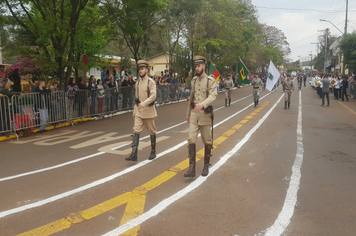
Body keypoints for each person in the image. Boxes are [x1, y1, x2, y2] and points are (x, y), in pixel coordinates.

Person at [185, 55, 218, 178]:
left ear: (204, 66)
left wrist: (202, 104)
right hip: (194, 115)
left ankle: (206, 165)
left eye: (198, 66)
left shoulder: (210, 81)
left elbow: (213, 96)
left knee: (207, 141)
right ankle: (192, 168)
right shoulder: (193, 81)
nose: (197, 68)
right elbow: (191, 99)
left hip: (205, 115)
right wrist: (188, 113)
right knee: (191, 139)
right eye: (196, 66)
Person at [126, 60, 157, 162]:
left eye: (142, 69)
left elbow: (153, 96)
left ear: (146, 70)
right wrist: (135, 110)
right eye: (140, 69)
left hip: (148, 111)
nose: (140, 71)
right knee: (136, 130)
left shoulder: (151, 82)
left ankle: (153, 151)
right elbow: (136, 98)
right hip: (139, 111)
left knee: (152, 131)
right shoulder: (137, 83)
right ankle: (134, 154)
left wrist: (144, 104)